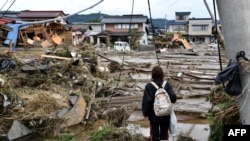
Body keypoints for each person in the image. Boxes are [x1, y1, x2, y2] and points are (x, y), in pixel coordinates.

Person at [142, 65, 177, 141]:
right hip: (166, 113)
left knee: (154, 133)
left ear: (152, 74)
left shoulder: (149, 86)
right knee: (164, 134)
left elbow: (147, 101)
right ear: (162, 74)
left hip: (154, 114)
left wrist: (145, 114)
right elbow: (173, 97)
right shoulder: (166, 84)